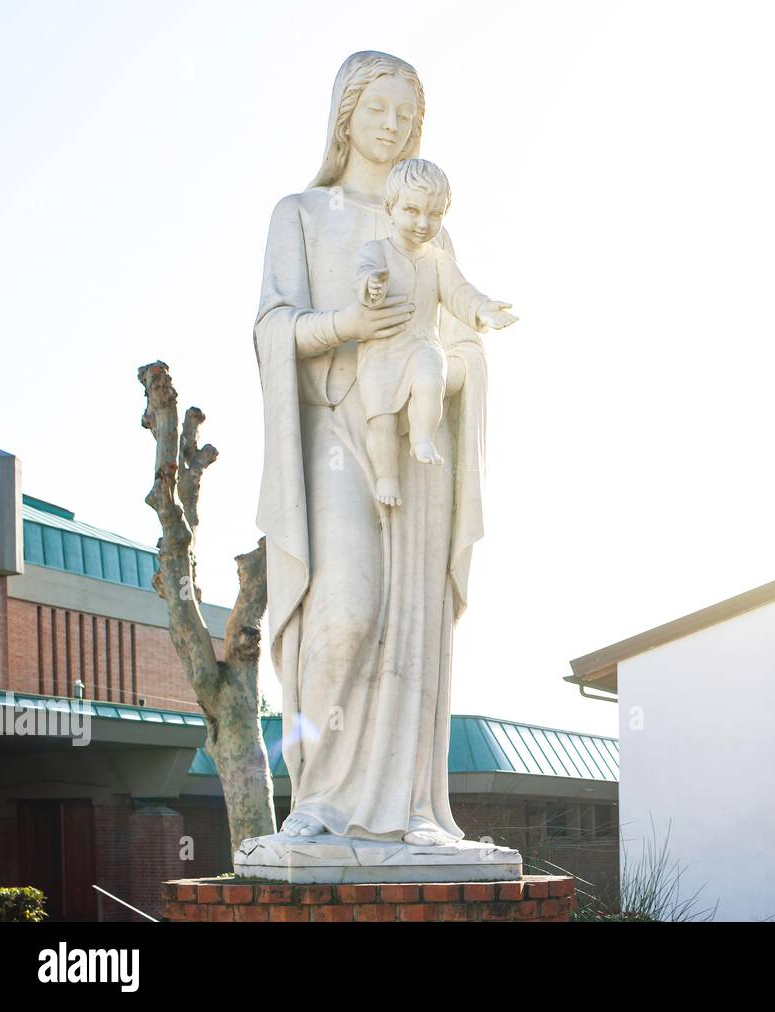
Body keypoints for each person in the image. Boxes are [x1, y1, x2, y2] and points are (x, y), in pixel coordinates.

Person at [254, 51, 489, 847]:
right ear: (346, 112)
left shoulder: (430, 227)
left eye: (407, 115)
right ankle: (318, 797)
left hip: (417, 441)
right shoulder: (301, 213)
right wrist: (349, 328)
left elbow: (463, 342)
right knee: (346, 606)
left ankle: (412, 807)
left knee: (413, 619)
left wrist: (442, 372)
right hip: (331, 433)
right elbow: (271, 329)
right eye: (379, 109)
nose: (393, 126)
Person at [355, 158, 516, 505]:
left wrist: (482, 308)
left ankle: (422, 438)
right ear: (390, 208)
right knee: (379, 420)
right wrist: (372, 287)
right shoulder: (376, 251)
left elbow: (459, 292)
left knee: (431, 379)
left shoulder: (438, 259)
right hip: (381, 353)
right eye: (412, 210)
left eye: (434, 214)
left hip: (422, 343)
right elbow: (364, 278)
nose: (422, 223)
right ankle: (386, 478)